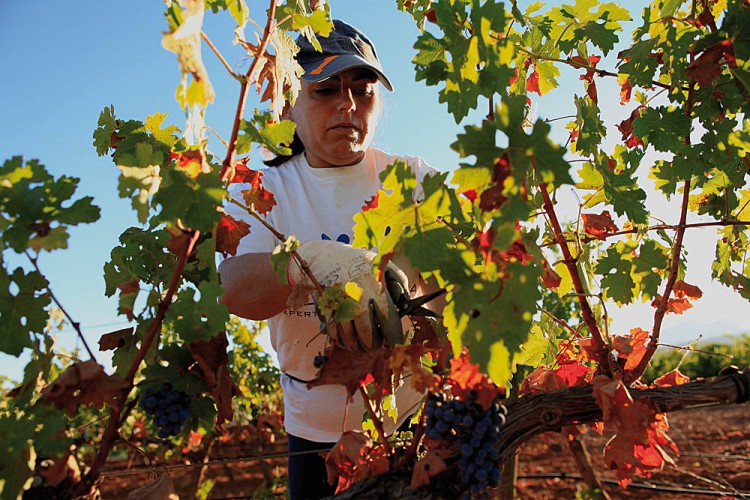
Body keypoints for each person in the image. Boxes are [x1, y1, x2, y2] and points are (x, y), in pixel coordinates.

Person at [219, 19, 440, 500]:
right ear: (289, 102)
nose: (348, 105)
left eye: (363, 91)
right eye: (324, 89)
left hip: (411, 421)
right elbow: (232, 286)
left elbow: (471, 284)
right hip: (312, 431)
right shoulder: (262, 190)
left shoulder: (414, 180)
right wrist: (309, 262)